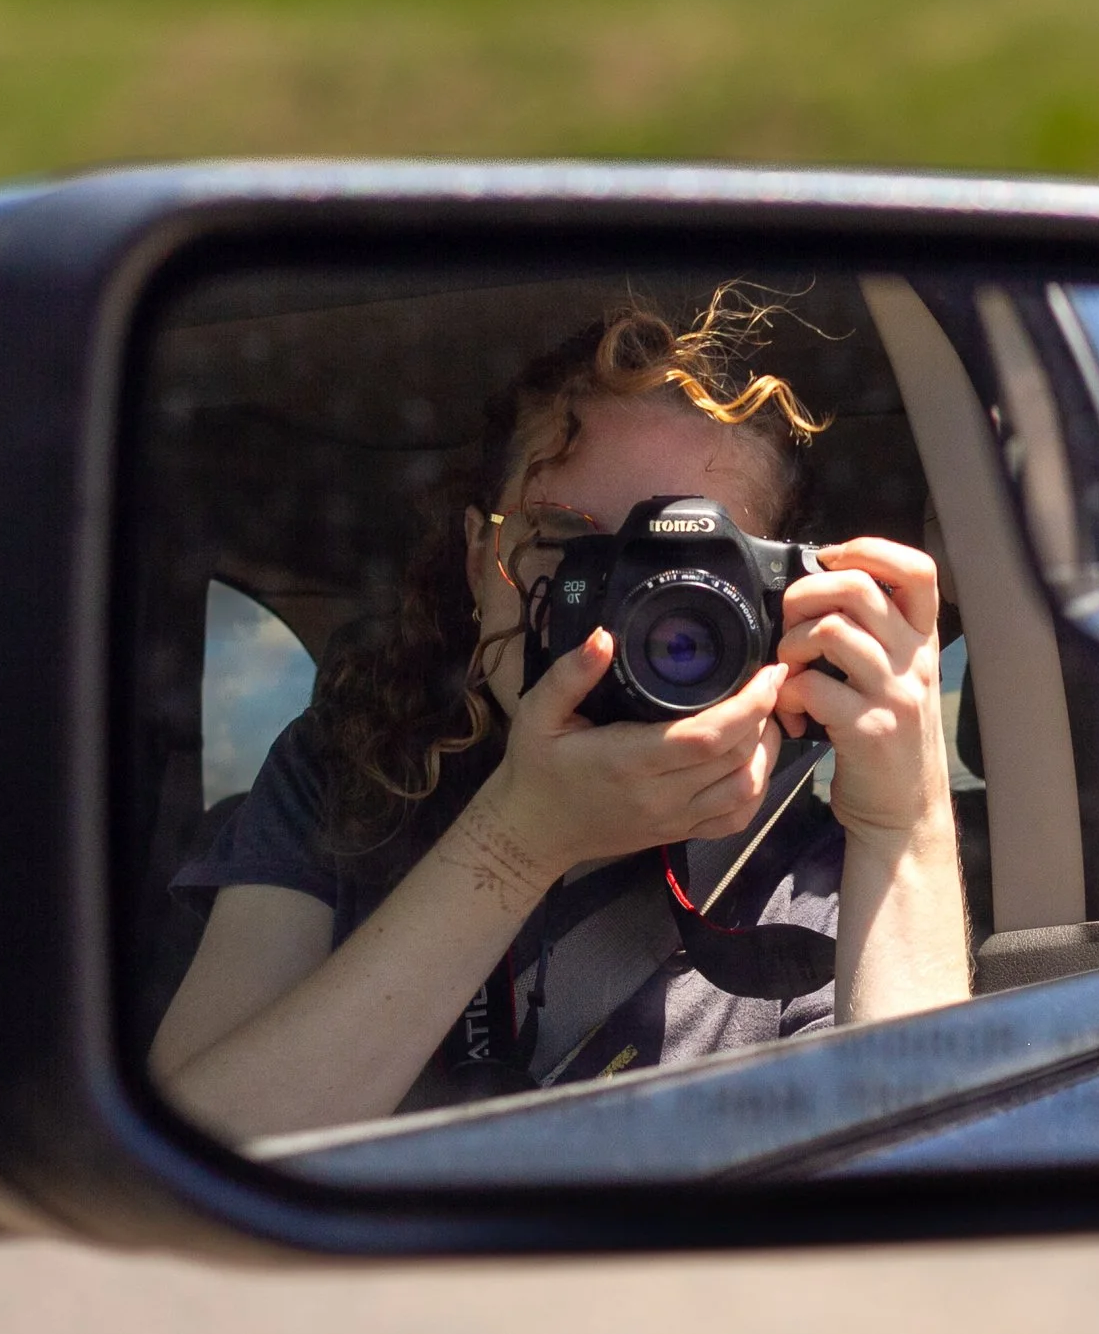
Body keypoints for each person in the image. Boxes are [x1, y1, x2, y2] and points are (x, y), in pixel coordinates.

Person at [150, 293, 971, 1141]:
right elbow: (192, 1153)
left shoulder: (811, 883)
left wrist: (901, 822)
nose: (627, 611)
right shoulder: (346, 772)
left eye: (685, 565)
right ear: (480, 560)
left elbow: (911, 1208)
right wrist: (516, 841)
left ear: (779, 606)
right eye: (568, 543)